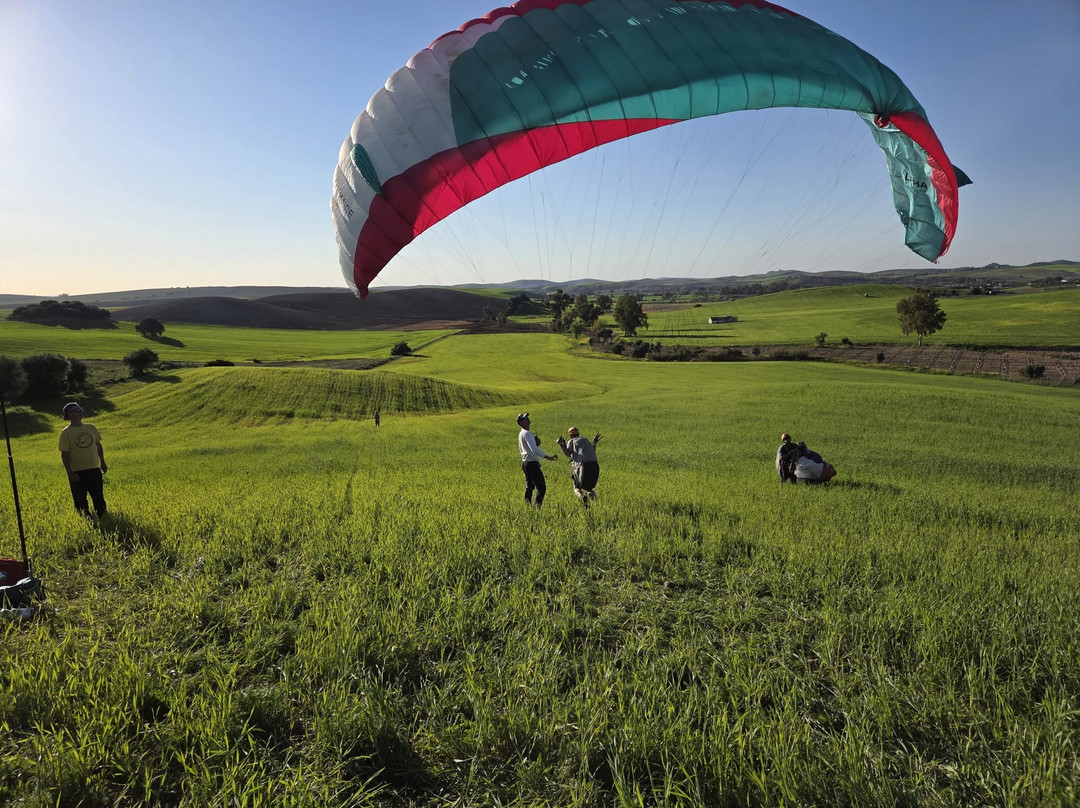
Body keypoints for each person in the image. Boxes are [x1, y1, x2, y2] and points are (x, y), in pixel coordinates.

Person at [58, 401, 108, 517]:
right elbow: (64, 455)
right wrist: (70, 473)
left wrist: (103, 462)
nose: (81, 412)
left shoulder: (91, 428)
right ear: (70, 414)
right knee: (80, 501)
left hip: (94, 469)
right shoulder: (66, 433)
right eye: (77, 410)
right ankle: (87, 522)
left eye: (80, 409)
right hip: (77, 472)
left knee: (99, 498)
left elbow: (98, 446)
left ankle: (104, 518)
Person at [516, 412, 556, 507]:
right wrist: (548, 457)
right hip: (532, 464)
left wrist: (535, 443)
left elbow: (527, 448)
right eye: (525, 418)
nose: (528, 419)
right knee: (542, 488)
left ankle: (527, 506)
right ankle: (537, 509)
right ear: (522, 422)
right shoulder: (527, 433)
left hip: (525, 463)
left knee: (530, 486)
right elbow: (534, 449)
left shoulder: (522, 433)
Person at [557, 426, 602, 506]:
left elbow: (568, 454)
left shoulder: (571, 441)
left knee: (576, 486)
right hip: (595, 465)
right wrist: (594, 442)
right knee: (589, 488)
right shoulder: (586, 440)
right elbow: (593, 449)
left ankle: (581, 497)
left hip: (583, 466)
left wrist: (561, 444)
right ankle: (597, 506)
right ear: (578, 433)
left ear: (570, 435)